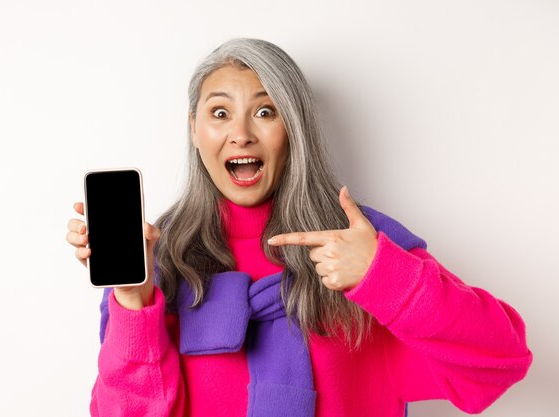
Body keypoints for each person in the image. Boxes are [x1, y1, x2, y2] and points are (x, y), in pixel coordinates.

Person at [66, 38, 532, 417]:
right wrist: (132, 301)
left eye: (266, 112)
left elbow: (500, 361)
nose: (241, 133)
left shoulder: (360, 241)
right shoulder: (157, 260)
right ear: (194, 128)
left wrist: (383, 277)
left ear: (295, 127)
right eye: (220, 113)